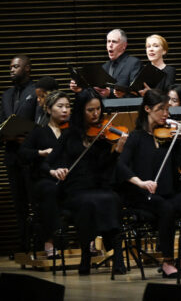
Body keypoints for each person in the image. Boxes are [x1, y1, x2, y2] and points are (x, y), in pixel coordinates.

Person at [48, 89, 127, 275]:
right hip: (75, 189)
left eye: (98, 109)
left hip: (98, 185)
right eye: (90, 110)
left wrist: (116, 152)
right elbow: (49, 162)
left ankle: (118, 257)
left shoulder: (102, 137)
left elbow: (104, 169)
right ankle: (86, 255)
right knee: (88, 203)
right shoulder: (68, 135)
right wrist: (55, 170)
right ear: (81, 111)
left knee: (112, 199)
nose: (96, 114)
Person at [116, 89, 181, 277]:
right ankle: (167, 262)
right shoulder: (136, 137)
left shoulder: (169, 138)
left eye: (167, 109)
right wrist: (141, 183)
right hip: (142, 195)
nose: (166, 114)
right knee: (166, 208)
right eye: (161, 109)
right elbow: (121, 166)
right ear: (147, 109)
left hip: (168, 191)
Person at [18, 89, 70, 258]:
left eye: (68, 107)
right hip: (44, 180)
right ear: (48, 109)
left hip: (69, 180)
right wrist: (40, 153)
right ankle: (50, 241)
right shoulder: (39, 132)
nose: (65, 110)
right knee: (50, 191)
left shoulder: (72, 133)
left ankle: (91, 241)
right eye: (60, 106)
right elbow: (23, 154)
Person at [3, 55, 36, 253]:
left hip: (29, 153)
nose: (12, 70)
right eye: (11, 67)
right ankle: (23, 246)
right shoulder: (6, 95)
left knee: (35, 201)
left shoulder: (35, 91)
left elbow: (40, 122)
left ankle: (40, 246)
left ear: (27, 69)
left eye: (16, 66)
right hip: (12, 154)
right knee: (19, 204)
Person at [103, 28, 142, 96]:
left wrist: (111, 93)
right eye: (108, 41)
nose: (110, 45)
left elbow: (136, 92)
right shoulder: (105, 66)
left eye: (114, 42)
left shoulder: (133, 63)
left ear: (124, 46)